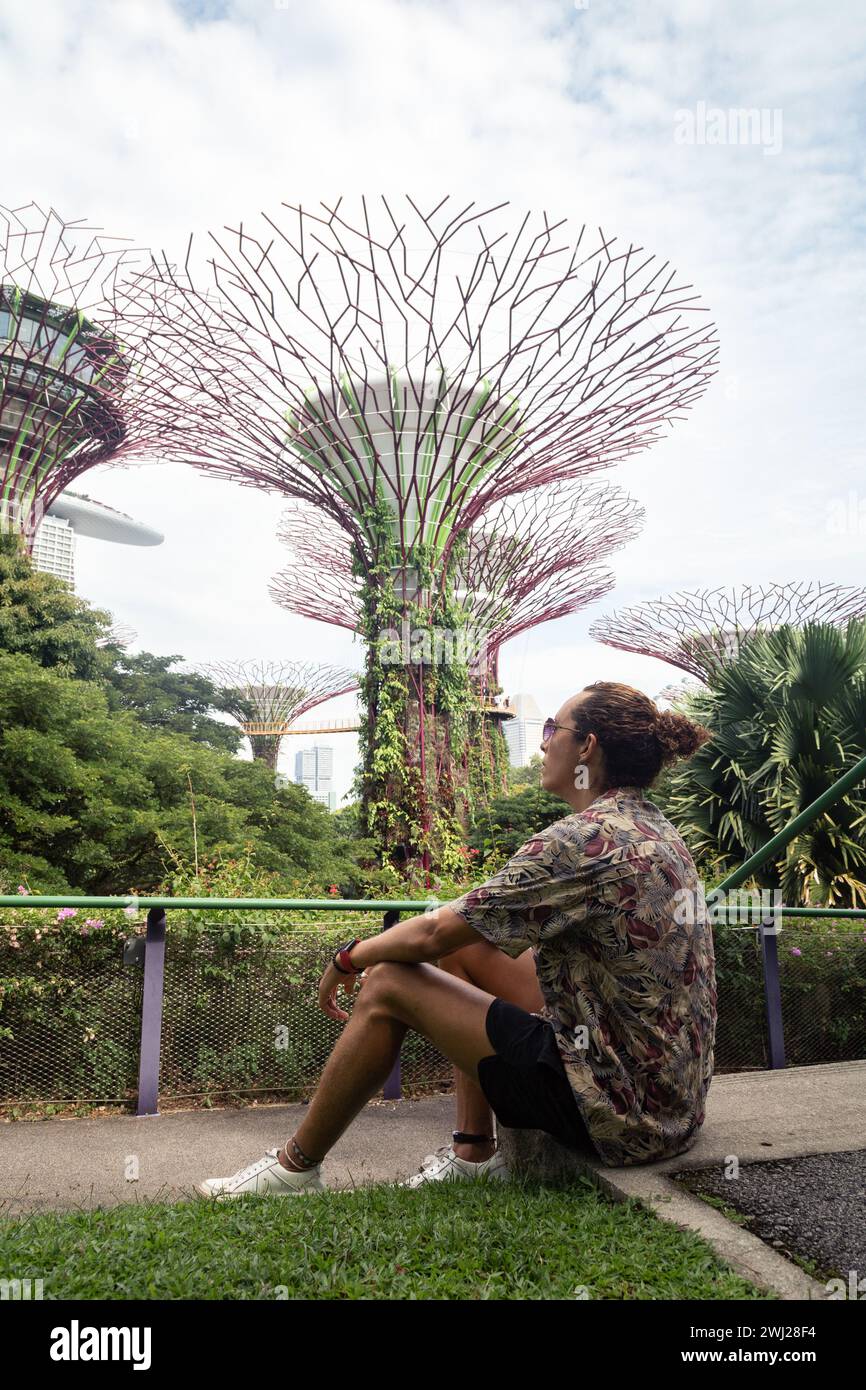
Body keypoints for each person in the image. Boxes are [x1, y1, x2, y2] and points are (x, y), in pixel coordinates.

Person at [197, 681, 716, 1199]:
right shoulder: (653, 827)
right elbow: (461, 929)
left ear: (587, 747)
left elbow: (431, 932)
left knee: (387, 983)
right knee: (465, 945)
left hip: (618, 1115)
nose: (542, 742)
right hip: (671, 1105)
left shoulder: (582, 839)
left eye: (553, 729)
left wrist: (349, 958)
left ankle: (295, 1169)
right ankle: (473, 1152)